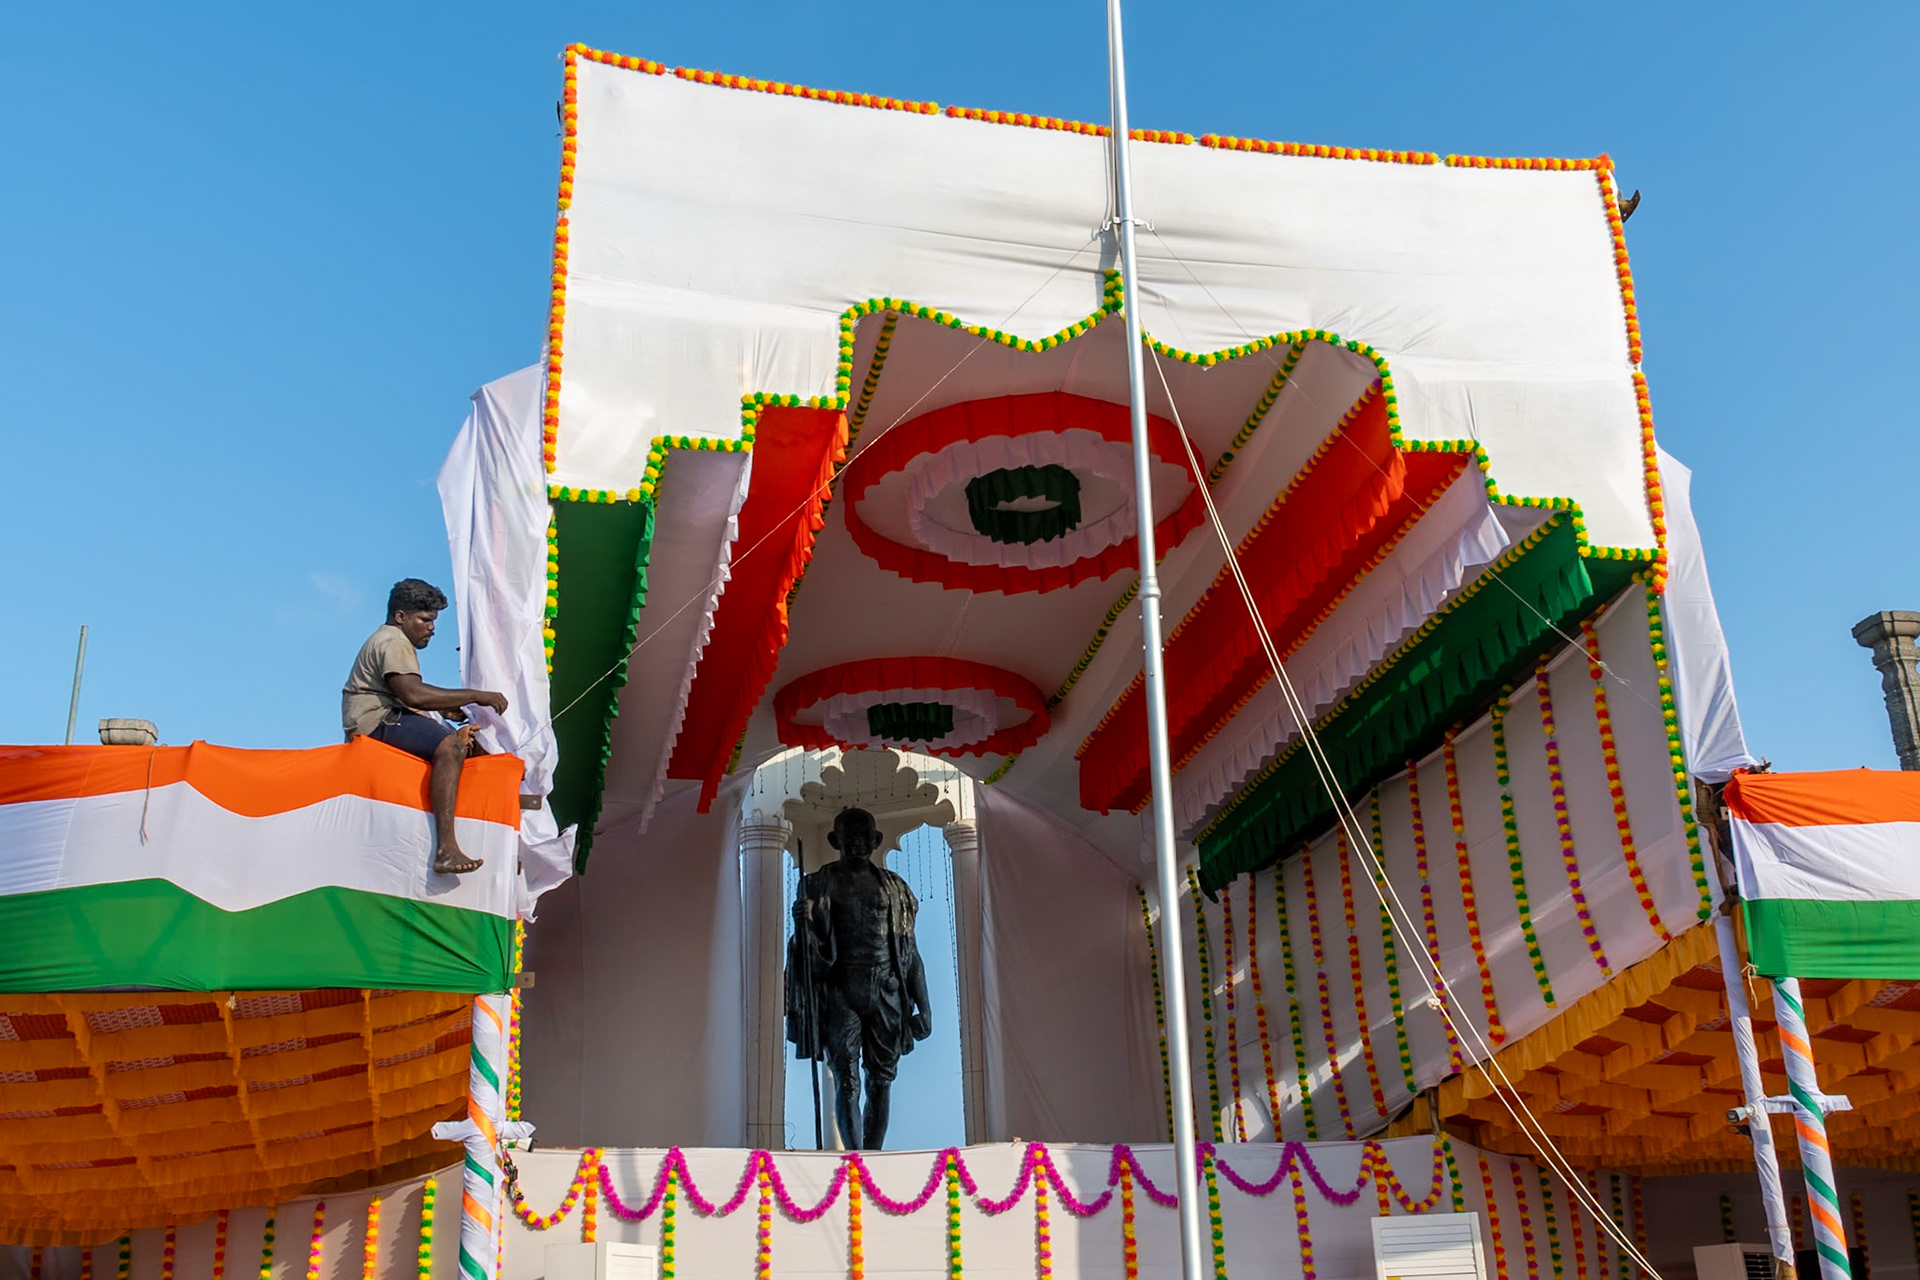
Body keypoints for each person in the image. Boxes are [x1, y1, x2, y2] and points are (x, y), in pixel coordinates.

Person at [785, 807, 933, 1149]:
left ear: (876, 840)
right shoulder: (818, 884)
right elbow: (806, 950)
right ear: (835, 841)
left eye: (864, 837)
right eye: (849, 838)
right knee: (847, 1080)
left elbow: (910, 951)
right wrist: (804, 925)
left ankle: (872, 1154)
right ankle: (854, 1157)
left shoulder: (895, 890)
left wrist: (924, 1007)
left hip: (887, 989)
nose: (857, 844)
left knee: (881, 1080)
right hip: (840, 990)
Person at [342, 578, 508, 875]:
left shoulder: (389, 639)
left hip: (388, 714)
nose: (431, 627)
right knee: (452, 744)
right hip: (376, 720)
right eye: (425, 619)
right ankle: (446, 848)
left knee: (465, 742)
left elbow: (407, 696)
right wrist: (477, 695)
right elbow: (413, 694)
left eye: (433, 620)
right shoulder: (394, 641)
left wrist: (444, 707)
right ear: (401, 616)